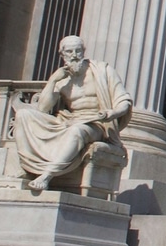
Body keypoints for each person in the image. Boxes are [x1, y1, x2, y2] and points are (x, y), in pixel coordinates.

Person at [12, 35, 132, 193]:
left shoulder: (102, 70)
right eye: (69, 51)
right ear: (62, 55)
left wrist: (112, 113)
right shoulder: (62, 78)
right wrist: (53, 80)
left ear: (84, 51)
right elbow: (42, 108)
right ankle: (29, 168)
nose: (74, 55)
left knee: (77, 131)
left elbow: (124, 102)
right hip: (69, 120)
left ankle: (47, 175)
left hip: (97, 124)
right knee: (24, 115)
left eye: (78, 51)